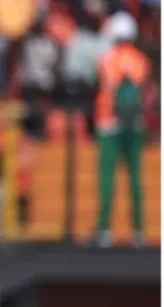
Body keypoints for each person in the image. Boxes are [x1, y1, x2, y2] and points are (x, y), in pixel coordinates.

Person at [93, 11, 151, 248]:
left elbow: (99, 84)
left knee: (107, 177)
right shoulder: (141, 60)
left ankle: (104, 230)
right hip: (134, 124)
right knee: (136, 178)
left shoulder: (105, 58)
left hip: (108, 123)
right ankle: (138, 231)